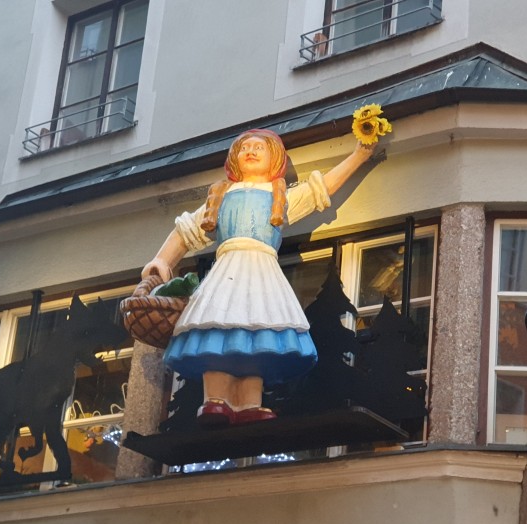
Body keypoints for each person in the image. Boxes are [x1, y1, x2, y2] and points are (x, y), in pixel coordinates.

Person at [141, 129, 376, 426]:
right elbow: (186, 230)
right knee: (218, 330)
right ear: (234, 159)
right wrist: (162, 259)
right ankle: (215, 400)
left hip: (262, 271)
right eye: (244, 148)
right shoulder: (221, 195)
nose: (250, 152)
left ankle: (248, 403)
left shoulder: (279, 195)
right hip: (227, 270)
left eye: (258, 148)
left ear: (274, 158)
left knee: (257, 336)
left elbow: (321, 189)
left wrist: (359, 155)